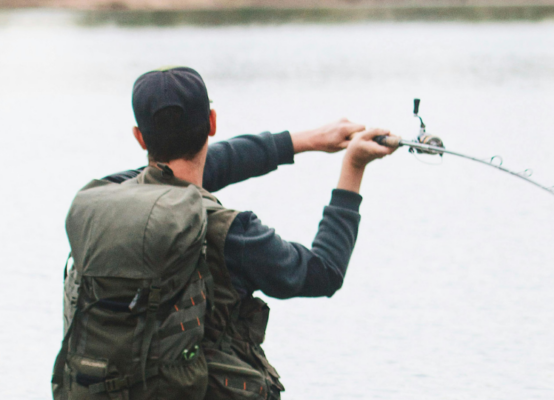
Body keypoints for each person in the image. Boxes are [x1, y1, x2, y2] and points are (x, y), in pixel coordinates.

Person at [55, 66, 396, 399]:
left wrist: (304, 141)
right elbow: (325, 272)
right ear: (213, 123)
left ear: (139, 137)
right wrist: (354, 166)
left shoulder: (101, 199)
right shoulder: (230, 232)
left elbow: (189, 171)